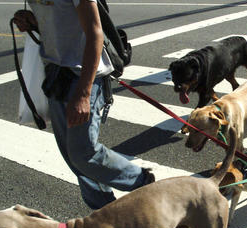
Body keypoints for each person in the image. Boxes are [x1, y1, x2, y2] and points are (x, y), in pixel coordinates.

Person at [13, 1, 154, 210]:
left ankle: (144, 184)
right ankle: (105, 213)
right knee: (74, 158)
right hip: (55, 72)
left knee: (83, 153)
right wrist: (32, 21)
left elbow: (95, 33)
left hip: (84, 75)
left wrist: (83, 93)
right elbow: (58, 21)